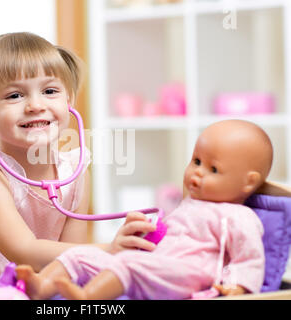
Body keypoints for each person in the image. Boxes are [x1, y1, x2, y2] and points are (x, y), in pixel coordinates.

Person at [0, 32, 156, 276]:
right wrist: (108, 250)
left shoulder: (76, 174)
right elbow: (23, 251)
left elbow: (71, 258)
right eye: (15, 95)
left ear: (69, 100)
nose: (36, 105)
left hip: (35, 283)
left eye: (50, 91)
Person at [16, 119, 273, 300]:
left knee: (129, 264)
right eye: (196, 161)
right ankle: (43, 286)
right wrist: (145, 237)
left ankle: (87, 297)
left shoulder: (238, 216)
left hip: (190, 275)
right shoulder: (189, 206)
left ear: (248, 181)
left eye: (213, 169)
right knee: (80, 255)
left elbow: (248, 257)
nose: (197, 173)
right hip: (156, 267)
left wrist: (238, 286)